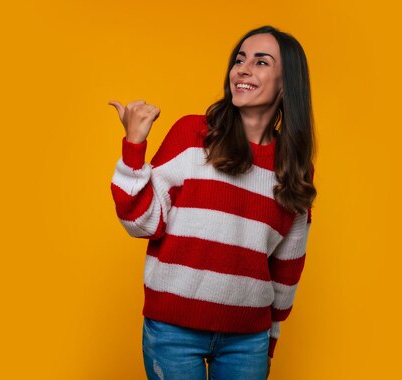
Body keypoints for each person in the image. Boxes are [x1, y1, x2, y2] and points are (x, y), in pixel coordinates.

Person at [108, 25, 316, 380]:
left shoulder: (294, 168)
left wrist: (271, 337)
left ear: (286, 83)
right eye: (240, 59)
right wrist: (134, 147)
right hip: (172, 332)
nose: (244, 69)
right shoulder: (192, 135)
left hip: (248, 339)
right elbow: (142, 222)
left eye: (261, 62)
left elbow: (288, 266)